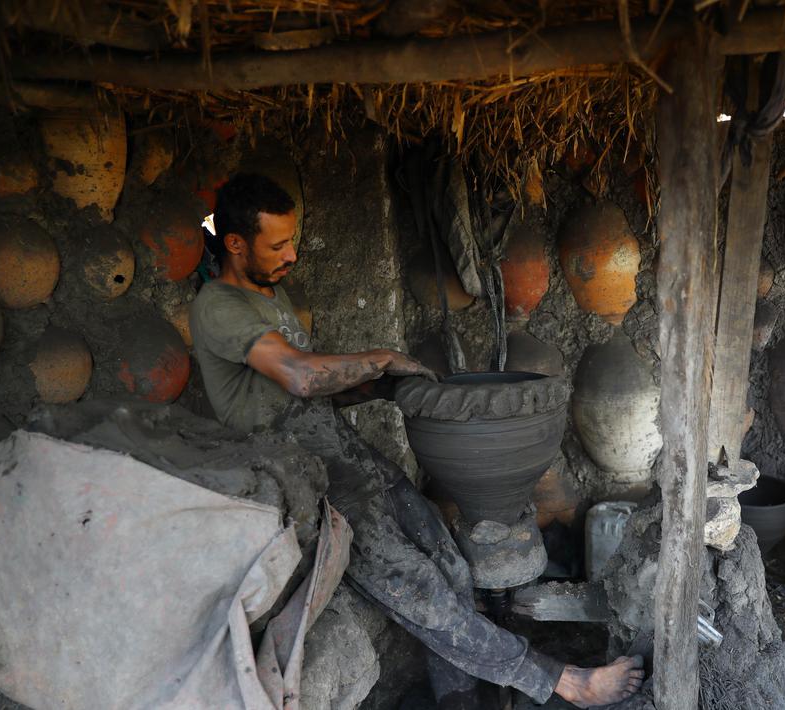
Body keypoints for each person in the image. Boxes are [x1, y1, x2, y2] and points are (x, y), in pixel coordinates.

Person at [189, 172, 644, 708]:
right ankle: (566, 682)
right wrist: (378, 357)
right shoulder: (219, 305)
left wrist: (382, 386)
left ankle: (461, 700)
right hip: (303, 478)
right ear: (236, 244)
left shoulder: (271, 297)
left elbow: (311, 395)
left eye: (293, 239)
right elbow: (299, 377)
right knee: (420, 590)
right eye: (278, 244)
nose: (292, 253)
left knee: (449, 562)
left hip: (344, 454)